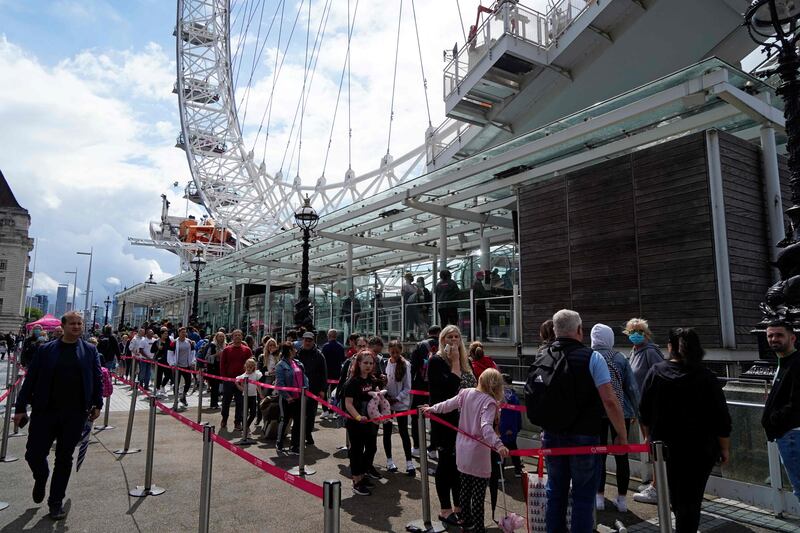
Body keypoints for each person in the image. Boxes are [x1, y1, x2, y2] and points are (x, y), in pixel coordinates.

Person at [539, 309, 627, 533]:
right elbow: (609, 400)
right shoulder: (592, 357)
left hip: (551, 435)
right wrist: (621, 434)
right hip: (585, 436)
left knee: (555, 494)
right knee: (583, 497)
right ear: (579, 330)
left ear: (555, 330)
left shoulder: (542, 357)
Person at [639, 327, 731, 533]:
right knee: (693, 497)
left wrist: (648, 437)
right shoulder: (706, 376)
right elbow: (721, 417)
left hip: (666, 449)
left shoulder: (656, 372)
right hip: (701, 448)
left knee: (675, 495)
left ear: (670, 347)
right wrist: (724, 447)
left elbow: (644, 411)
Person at [13, 311, 103, 520]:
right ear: (63, 326)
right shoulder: (46, 350)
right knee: (33, 454)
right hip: (45, 411)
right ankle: (41, 476)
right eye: (72, 323)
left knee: (64, 458)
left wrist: (97, 403)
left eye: (80, 323)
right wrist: (20, 407)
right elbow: (31, 378)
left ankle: (56, 501)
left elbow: (96, 379)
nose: (77, 327)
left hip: (75, 413)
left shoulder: (90, 351)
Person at [424, 368, 509, 533]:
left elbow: (448, 404)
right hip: (478, 452)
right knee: (478, 494)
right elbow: (485, 427)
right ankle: (478, 528)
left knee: (464, 488)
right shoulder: (489, 402)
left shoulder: (466, 393)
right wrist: (499, 445)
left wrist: (432, 409)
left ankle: (466, 523)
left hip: (462, 449)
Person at [428, 324, 476, 526]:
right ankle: (445, 509)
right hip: (445, 421)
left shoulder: (466, 362)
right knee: (446, 463)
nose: (454, 340)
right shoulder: (437, 361)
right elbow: (449, 389)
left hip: (464, 421)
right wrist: (455, 361)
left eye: (457, 336)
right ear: (442, 340)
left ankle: (460, 506)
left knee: (460, 466)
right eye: (449, 337)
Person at [591, 323, 640, 513]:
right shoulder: (619, 357)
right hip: (621, 412)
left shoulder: (589, 357)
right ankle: (622, 499)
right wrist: (636, 412)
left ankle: (599, 497)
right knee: (622, 456)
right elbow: (632, 388)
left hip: (596, 413)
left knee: (598, 456)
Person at [624, 317, 665, 504]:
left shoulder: (650, 352)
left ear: (646, 334)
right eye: (631, 332)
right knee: (651, 447)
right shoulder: (634, 352)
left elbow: (661, 376)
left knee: (655, 446)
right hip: (641, 410)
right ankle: (657, 484)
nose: (634, 335)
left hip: (652, 409)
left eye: (638, 332)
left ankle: (658, 487)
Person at [762, 320, 800, 502]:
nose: (773, 339)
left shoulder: (796, 363)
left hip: (792, 435)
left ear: (792, 338)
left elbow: (797, 403)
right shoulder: (783, 361)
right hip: (788, 434)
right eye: (770, 335)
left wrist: (774, 419)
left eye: (779, 335)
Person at [344, 350, 381, 495]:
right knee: (356, 451)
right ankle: (356, 480)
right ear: (358, 363)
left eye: (371, 363)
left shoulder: (371, 380)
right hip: (356, 423)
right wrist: (358, 417)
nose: (368, 366)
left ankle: (363, 474)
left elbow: (377, 397)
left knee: (371, 448)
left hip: (370, 423)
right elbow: (348, 404)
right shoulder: (352, 382)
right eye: (365, 362)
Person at [382, 340, 415, 476]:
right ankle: (389, 461)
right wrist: (385, 394)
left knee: (403, 432)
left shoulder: (405, 364)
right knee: (387, 431)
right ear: (388, 351)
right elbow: (384, 382)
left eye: (397, 352)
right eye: (392, 352)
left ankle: (409, 462)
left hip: (400, 402)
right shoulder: (385, 363)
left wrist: (398, 398)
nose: (394, 354)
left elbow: (408, 387)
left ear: (401, 351)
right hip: (387, 402)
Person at [410, 325, 440, 456]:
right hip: (438, 387)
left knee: (416, 416)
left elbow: (413, 367)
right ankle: (433, 448)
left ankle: (417, 446)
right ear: (439, 333)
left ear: (428, 333)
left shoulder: (420, 345)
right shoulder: (444, 344)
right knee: (437, 416)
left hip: (420, 386)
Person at [275, 342, 308, 454]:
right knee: (285, 420)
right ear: (289, 350)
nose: (296, 350)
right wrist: (287, 397)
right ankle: (279, 442)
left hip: (299, 398)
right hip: (287, 400)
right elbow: (280, 383)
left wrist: (306, 391)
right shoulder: (280, 365)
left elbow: (304, 378)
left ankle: (294, 446)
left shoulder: (298, 363)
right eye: (294, 348)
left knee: (298, 422)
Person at [297, 331, 327, 445]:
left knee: (310, 415)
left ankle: (308, 434)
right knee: (299, 414)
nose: (307, 342)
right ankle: (299, 435)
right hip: (299, 390)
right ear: (302, 340)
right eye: (306, 340)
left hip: (313, 390)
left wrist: (323, 389)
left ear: (313, 341)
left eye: (310, 340)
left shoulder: (319, 355)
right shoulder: (297, 353)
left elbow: (324, 373)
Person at [219, 329, 252, 431]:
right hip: (228, 380)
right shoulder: (227, 350)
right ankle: (224, 418)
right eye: (235, 335)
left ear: (242, 337)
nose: (237, 337)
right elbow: (222, 365)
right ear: (232, 337)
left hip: (242, 381)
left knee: (240, 402)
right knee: (226, 402)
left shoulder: (247, 350)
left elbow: (250, 365)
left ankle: (238, 422)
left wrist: (247, 377)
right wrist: (224, 378)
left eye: (239, 335)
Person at [499, 373, 523, 477]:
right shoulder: (512, 395)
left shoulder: (506, 396)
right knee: (513, 449)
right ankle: (517, 470)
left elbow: (509, 415)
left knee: (502, 450)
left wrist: (508, 428)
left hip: (505, 428)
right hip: (511, 427)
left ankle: (501, 474)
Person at [167, 327, 196, 407]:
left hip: (186, 366)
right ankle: (175, 399)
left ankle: (183, 396)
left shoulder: (189, 342)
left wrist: (192, 362)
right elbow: (170, 353)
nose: (183, 334)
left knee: (188, 382)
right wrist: (172, 363)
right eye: (182, 332)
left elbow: (193, 352)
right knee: (176, 383)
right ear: (179, 333)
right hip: (177, 366)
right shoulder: (174, 342)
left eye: (185, 332)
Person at [321, 329, 345, 420]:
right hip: (337, 373)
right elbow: (343, 359)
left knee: (323, 392)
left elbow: (322, 360)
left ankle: (325, 410)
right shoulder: (340, 347)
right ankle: (332, 411)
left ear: (328, 336)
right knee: (334, 394)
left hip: (326, 373)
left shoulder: (325, 346)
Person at [236, 358, 263, 434]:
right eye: (248, 366)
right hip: (245, 397)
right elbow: (241, 387)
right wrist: (239, 385)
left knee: (253, 413)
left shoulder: (256, 375)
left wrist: (260, 393)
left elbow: (258, 385)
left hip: (253, 396)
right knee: (244, 413)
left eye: (251, 366)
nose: (249, 368)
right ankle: (245, 427)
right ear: (245, 366)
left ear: (254, 367)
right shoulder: (243, 376)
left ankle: (246, 425)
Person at [204, 331, 226, 409]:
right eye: (220, 336)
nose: (221, 338)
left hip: (221, 368)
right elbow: (207, 357)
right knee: (214, 386)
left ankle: (216, 402)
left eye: (223, 336)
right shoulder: (212, 345)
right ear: (216, 337)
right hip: (213, 369)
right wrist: (217, 355)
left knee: (219, 387)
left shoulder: (224, 346)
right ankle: (213, 403)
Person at [151, 330, 173, 399]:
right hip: (159, 361)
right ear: (161, 334)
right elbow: (152, 350)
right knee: (159, 376)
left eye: (167, 333)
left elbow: (172, 350)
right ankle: (158, 389)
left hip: (167, 361)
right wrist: (158, 348)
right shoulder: (157, 342)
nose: (166, 335)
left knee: (168, 375)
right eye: (165, 334)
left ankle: (162, 386)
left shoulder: (169, 342)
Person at [471, 271, 489, 341]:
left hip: (476, 304)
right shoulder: (478, 284)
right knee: (484, 321)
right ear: (478, 276)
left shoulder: (476, 283)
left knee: (475, 321)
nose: (483, 277)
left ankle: (470, 336)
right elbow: (483, 293)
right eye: (482, 276)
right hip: (480, 305)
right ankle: (484, 337)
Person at [402, 272, 418, 339]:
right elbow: (404, 296)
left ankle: (410, 334)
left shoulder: (413, 286)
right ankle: (406, 335)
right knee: (407, 321)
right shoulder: (405, 286)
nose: (412, 278)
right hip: (408, 305)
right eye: (411, 277)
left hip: (412, 305)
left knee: (411, 321)